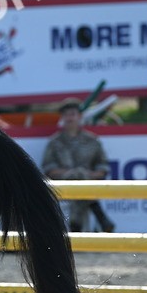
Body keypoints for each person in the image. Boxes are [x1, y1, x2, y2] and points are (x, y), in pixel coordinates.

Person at [41, 98, 115, 232]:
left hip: (88, 183)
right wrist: (72, 174)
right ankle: (100, 215)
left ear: (79, 117)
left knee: (80, 176)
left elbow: (102, 167)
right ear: (62, 118)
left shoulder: (92, 141)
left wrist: (86, 175)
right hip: (62, 186)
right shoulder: (54, 142)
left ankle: (76, 225)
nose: (70, 118)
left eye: (73, 114)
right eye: (66, 114)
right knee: (78, 175)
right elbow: (48, 168)